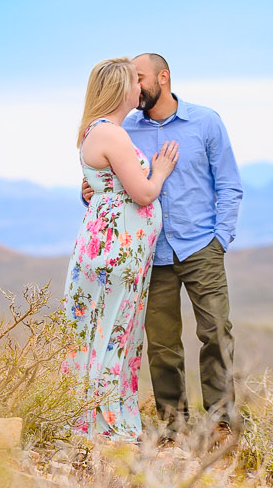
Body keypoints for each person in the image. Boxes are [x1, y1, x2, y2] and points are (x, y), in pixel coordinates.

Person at [123, 52, 243, 433]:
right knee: (161, 345)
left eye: (139, 78)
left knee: (215, 332)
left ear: (164, 76)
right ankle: (174, 427)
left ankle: (222, 422)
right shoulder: (126, 130)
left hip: (200, 246)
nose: (134, 87)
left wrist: (220, 239)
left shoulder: (205, 122)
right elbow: (112, 184)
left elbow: (228, 183)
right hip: (152, 251)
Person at [64, 57, 179, 443]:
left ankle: (95, 417)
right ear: (121, 89)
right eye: (135, 81)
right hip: (117, 253)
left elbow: (102, 189)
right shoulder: (111, 134)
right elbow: (142, 192)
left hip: (114, 249)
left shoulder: (102, 132)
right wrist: (160, 170)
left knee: (105, 331)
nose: (139, 88)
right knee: (112, 332)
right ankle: (106, 424)